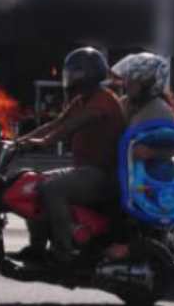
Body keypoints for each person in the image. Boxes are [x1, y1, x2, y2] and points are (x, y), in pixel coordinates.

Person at [14, 47, 126, 263]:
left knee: (53, 189)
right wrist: (18, 141)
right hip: (84, 170)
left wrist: (45, 142)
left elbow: (74, 124)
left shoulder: (103, 99)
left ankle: (65, 251)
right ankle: (37, 248)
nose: (70, 77)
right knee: (33, 184)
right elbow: (56, 123)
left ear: (90, 74)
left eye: (76, 72)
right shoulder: (82, 99)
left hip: (103, 174)